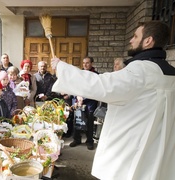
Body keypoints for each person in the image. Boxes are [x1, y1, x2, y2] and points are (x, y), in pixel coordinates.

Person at [51, 21, 175, 179]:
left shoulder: (141, 70)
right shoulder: (170, 74)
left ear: (148, 41)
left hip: (131, 151)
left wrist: (62, 68)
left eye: (135, 36)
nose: (131, 40)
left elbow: (102, 85)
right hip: (160, 152)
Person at [69, 57, 98, 150]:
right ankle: (76, 139)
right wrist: (77, 97)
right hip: (78, 102)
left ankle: (89, 141)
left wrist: (83, 98)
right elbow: (72, 87)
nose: (85, 65)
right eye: (84, 63)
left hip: (90, 102)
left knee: (89, 121)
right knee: (77, 120)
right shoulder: (78, 74)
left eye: (87, 63)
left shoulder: (96, 75)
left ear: (92, 63)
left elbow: (96, 90)